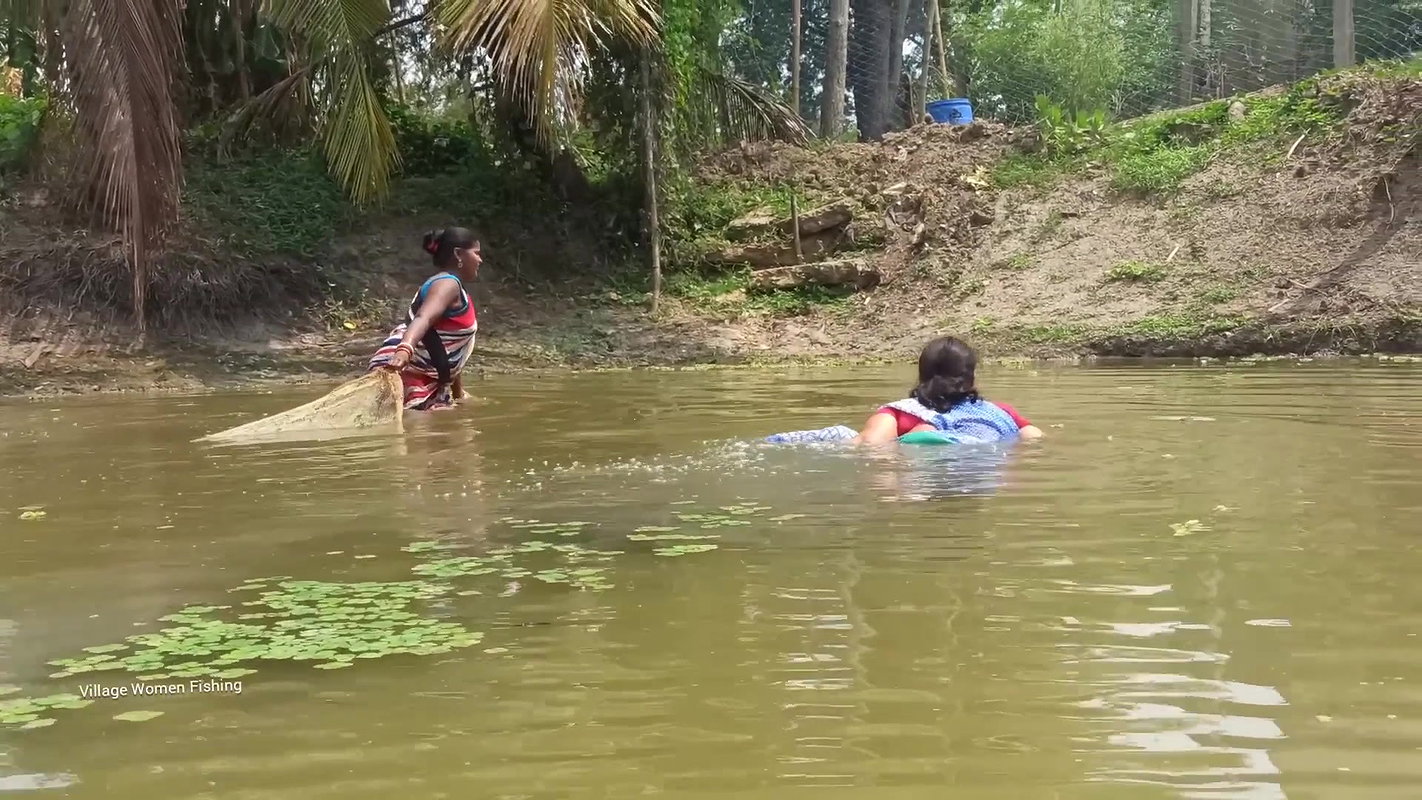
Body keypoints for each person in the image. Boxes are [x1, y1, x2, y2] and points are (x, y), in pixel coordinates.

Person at [852, 335, 1044, 445]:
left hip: (921, 472)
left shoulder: (897, 414)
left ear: (922, 374)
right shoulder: (1002, 413)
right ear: (972, 377)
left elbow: (870, 445)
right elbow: (1034, 439)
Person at [367, 227, 482, 410]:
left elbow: (447, 348)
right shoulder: (447, 284)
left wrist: (458, 394)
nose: (480, 260)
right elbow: (424, 318)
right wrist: (404, 351)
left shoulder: (454, 288)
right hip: (408, 368)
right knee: (422, 431)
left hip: (425, 374)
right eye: (476, 253)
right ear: (459, 254)